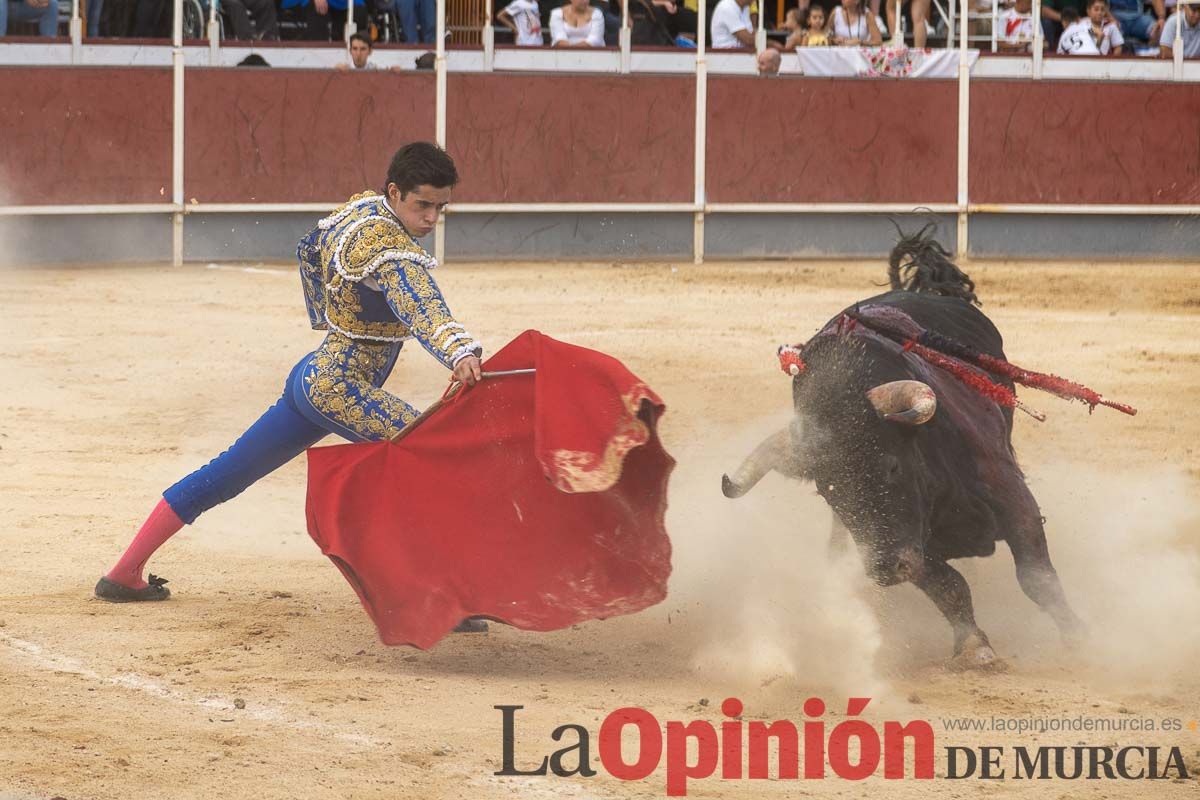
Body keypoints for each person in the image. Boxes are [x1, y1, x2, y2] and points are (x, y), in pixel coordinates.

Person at [95, 142, 487, 635]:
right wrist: (459, 352)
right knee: (430, 460)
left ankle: (124, 572)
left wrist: (328, 317)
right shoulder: (391, 253)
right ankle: (436, 595)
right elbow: (423, 308)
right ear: (395, 192)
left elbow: (310, 246)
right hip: (343, 390)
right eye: (422, 204)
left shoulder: (362, 211)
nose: (431, 218)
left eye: (440, 207)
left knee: (227, 474)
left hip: (313, 379)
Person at [1059, 0, 1125, 53]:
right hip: (1084, 57)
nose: (1099, 12)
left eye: (1102, 10)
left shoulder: (1111, 26)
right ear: (1088, 11)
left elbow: (1118, 48)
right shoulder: (1081, 24)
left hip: (1105, 62)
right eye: (1096, 9)